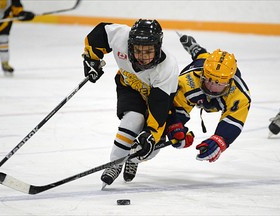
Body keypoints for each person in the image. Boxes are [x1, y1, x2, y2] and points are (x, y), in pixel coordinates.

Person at [82, 19, 180, 187]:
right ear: (130, 45)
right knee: (134, 119)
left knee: (151, 147)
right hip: (129, 87)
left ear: (158, 46)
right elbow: (99, 33)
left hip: (156, 99)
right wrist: (92, 59)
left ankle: (135, 158)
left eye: (148, 51)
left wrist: (150, 135)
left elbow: (158, 107)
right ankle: (115, 164)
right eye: (138, 51)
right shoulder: (121, 36)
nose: (143, 57)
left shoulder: (167, 68)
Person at [167, 34, 251, 162]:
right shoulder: (187, 81)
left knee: (204, 58)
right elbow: (175, 108)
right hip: (201, 65)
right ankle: (197, 50)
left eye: (219, 83)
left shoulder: (239, 94)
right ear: (202, 75)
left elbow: (234, 119)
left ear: (229, 82)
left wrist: (219, 140)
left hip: (215, 74)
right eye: (209, 80)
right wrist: (175, 126)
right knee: (202, 58)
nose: (212, 87)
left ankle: (197, 50)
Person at [0, 0, 35, 74]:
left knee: (3, 40)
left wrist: (22, 14)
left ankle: (5, 63)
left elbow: (16, 9)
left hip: (3, 21)